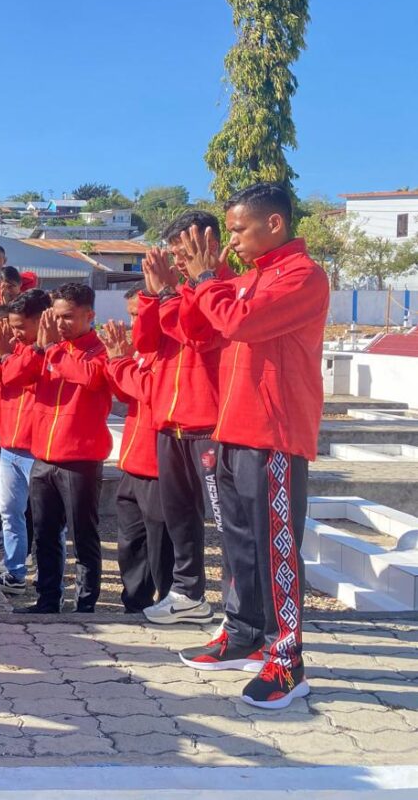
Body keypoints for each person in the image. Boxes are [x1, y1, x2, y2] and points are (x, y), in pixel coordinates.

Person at [175, 182, 328, 710]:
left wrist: (207, 282)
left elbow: (241, 321)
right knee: (239, 545)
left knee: (277, 551)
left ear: (275, 225)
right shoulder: (247, 278)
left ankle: (287, 662)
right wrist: (202, 281)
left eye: (239, 228)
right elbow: (201, 335)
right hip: (234, 429)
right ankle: (242, 635)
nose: (232, 238)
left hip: (276, 435)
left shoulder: (303, 277)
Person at [133, 210, 232, 626]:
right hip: (168, 423)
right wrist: (153, 296)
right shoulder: (177, 288)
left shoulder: (221, 286)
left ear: (209, 242)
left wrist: (172, 292)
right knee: (180, 518)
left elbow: (199, 334)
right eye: (173, 252)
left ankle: (242, 607)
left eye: (184, 250)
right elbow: (146, 341)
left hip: (208, 425)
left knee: (228, 523)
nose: (177, 260)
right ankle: (189, 594)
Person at [18, 283, 112, 613]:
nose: (60, 324)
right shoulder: (49, 348)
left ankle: (85, 604)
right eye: (56, 317)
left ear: (90, 315)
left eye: (68, 317)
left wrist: (53, 349)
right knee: (44, 533)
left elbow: (90, 378)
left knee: (83, 536)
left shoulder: (100, 351)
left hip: (80, 459)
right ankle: (47, 599)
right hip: (44, 456)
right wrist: (39, 350)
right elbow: (16, 378)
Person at [0, 291, 53, 594]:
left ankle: (48, 580)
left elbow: (19, 375)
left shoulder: (45, 350)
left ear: (41, 320)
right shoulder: (15, 349)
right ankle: (14, 570)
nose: (15, 332)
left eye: (20, 326)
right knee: (10, 512)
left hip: (37, 450)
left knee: (46, 521)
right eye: (12, 326)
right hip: (9, 446)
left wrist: (6, 354)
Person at [103, 291, 175, 614]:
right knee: (131, 543)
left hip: (158, 465)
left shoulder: (167, 351)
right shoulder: (142, 352)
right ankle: (135, 603)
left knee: (160, 544)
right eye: (130, 315)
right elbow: (123, 393)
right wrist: (117, 359)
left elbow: (148, 391)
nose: (133, 323)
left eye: (137, 314)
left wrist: (121, 363)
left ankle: (170, 601)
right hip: (132, 462)